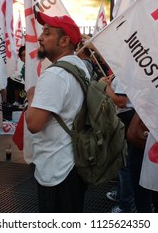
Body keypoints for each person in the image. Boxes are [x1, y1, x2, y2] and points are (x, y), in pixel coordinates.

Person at [25, 12, 90, 212]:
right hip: (75, 162)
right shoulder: (80, 67)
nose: (40, 37)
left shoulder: (55, 75)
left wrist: (31, 97)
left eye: (47, 33)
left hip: (56, 169)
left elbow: (34, 125)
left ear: (64, 41)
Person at [101, 74, 135, 213]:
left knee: (125, 166)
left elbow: (121, 101)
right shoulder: (123, 71)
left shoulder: (124, 73)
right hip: (127, 119)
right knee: (123, 163)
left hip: (126, 119)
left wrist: (106, 87)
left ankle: (125, 206)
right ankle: (121, 194)